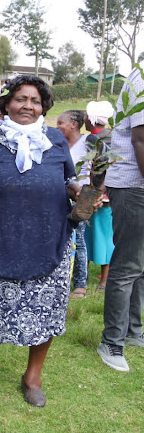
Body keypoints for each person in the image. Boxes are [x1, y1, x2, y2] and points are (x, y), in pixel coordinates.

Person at [0, 75, 87, 407]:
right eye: (20, 99)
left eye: (34, 101)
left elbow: (68, 179)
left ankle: (32, 377)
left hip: (47, 238)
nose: (27, 106)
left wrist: (79, 191)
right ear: (6, 103)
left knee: (45, 310)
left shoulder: (55, 140)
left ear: (43, 106)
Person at [96, 68, 144, 372]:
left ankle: (134, 332)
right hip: (133, 184)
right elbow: (140, 139)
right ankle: (111, 341)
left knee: (140, 264)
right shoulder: (141, 77)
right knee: (127, 265)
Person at [57, 110, 91, 299]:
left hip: (81, 196)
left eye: (61, 122)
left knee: (79, 240)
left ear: (74, 124)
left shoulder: (88, 143)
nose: (58, 125)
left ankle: (80, 284)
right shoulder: (58, 144)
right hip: (60, 195)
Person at [85, 101, 116, 293]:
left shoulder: (93, 139)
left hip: (97, 193)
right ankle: (100, 278)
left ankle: (103, 280)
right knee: (104, 235)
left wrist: (98, 192)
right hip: (108, 193)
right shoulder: (113, 136)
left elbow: (101, 169)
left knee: (95, 236)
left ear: (91, 119)